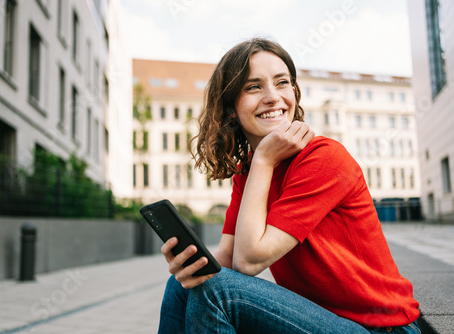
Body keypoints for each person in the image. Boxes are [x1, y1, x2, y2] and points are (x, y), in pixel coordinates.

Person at [159, 38, 421, 334]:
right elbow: (230, 258)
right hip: (321, 321)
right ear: (231, 108)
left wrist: (263, 160)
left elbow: (249, 261)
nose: (273, 97)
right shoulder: (248, 172)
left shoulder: (323, 158)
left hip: (380, 329)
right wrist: (190, 261)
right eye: (253, 87)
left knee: (216, 290)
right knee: (186, 283)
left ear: (294, 93)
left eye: (282, 83)